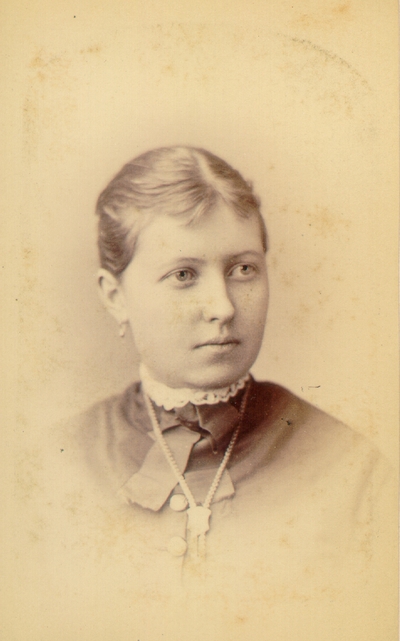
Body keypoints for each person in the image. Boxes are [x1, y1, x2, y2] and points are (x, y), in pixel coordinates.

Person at [31, 146, 395, 640]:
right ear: (115, 297)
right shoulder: (48, 474)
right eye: (183, 275)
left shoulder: (351, 469)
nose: (222, 306)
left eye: (242, 269)